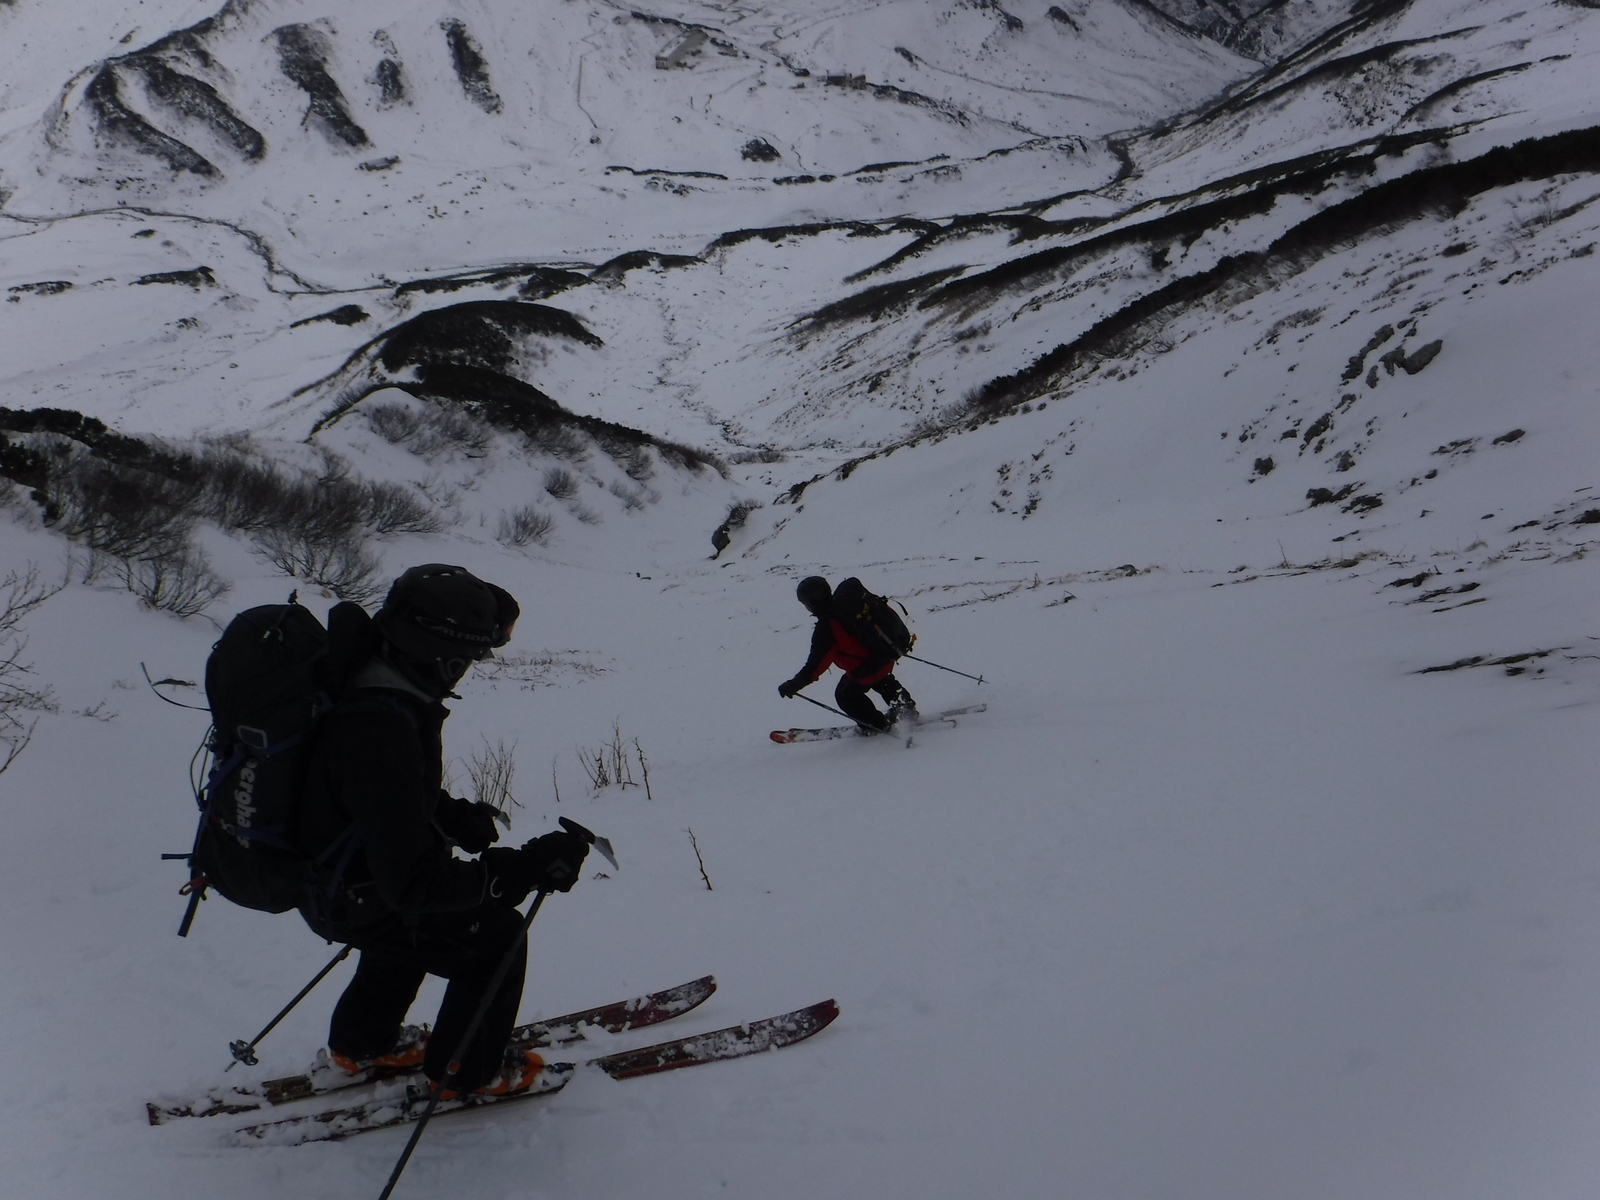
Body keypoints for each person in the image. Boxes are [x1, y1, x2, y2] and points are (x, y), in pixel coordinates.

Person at [292, 564, 589, 1098]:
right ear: (441, 651)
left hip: (336, 882)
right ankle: (466, 1074)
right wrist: (512, 872)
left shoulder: (366, 679)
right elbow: (415, 882)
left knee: (411, 927)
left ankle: (363, 1044)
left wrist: (450, 816)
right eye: (473, 656)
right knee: (497, 938)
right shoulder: (380, 725)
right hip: (354, 892)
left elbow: (372, 796)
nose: (470, 668)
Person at [778, 576, 916, 733]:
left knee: (845, 695)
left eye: (805, 604)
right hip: (885, 655)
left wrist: (794, 684)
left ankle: (875, 725)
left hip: (866, 670)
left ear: (812, 602)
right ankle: (905, 708)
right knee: (882, 681)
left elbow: (815, 666)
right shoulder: (850, 606)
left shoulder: (827, 627)